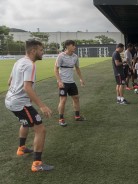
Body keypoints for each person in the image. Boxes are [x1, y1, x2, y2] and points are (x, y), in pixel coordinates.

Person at [5, 39, 54, 172]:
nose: (42, 52)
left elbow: (10, 82)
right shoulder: (30, 64)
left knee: (26, 123)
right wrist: (42, 106)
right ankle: (37, 164)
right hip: (19, 103)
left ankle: (21, 149)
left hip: (9, 100)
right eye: (41, 50)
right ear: (33, 51)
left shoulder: (19, 61)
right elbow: (27, 87)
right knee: (41, 129)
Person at [54, 40, 86, 127]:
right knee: (63, 100)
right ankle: (61, 119)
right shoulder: (61, 56)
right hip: (63, 82)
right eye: (73, 45)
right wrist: (59, 81)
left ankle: (77, 116)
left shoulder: (75, 56)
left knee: (76, 98)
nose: (74, 47)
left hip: (71, 82)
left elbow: (77, 68)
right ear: (67, 46)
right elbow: (55, 69)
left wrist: (81, 79)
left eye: (74, 45)